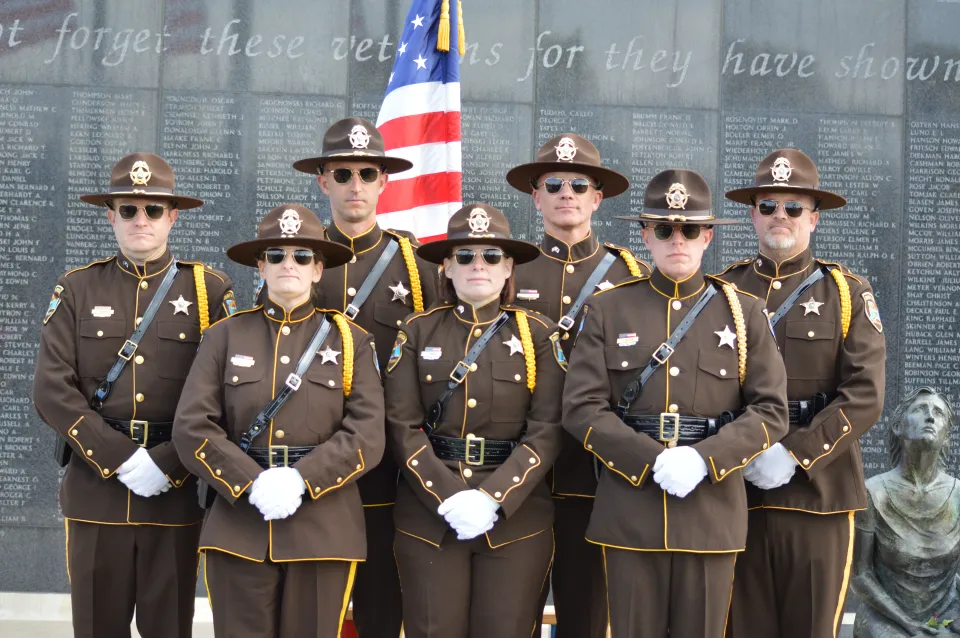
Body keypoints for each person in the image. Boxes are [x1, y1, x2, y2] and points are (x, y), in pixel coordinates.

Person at [562, 169, 788, 638]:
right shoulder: (607, 309)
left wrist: (703, 460)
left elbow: (770, 411)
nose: (676, 239)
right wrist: (649, 459)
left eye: (688, 229)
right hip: (630, 508)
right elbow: (582, 408)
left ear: (707, 235)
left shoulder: (743, 312)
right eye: (663, 229)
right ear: (646, 234)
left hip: (710, 510)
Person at [33, 153, 235, 638]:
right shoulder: (76, 288)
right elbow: (51, 388)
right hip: (96, 491)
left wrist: (170, 463)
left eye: (152, 209)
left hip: (175, 492)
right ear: (110, 215)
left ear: (173, 216)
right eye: (128, 209)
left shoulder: (209, 291)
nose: (140, 220)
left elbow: (228, 398)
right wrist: (121, 458)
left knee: (169, 628)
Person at [172, 204, 385, 638]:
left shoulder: (352, 341)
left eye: (302, 256)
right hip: (239, 525)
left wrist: (300, 480)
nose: (290, 264)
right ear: (261, 266)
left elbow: (367, 433)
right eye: (277, 255)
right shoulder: (224, 336)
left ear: (319, 269)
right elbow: (193, 426)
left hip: (323, 526)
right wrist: (251, 481)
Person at [717, 149, 887, 638]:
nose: (780, 217)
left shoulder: (847, 292)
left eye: (794, 208)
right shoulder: (723, 291)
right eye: (768, 205)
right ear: (752, 215)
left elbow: (865, 394)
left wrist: (794, 455)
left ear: (813, 218)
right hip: (737, 493)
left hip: (818, 495)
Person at [385, 203, 565, 638]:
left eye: (491, 256)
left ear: (508, 269)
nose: (477, 266)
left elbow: (548, 427)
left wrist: (493, 497)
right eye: (464, 256)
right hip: (430, 515)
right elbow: (401, 424)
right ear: (446, 267)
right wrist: (446, 495)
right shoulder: (416, 331)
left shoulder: (538, 334)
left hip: (514, 518)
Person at [292, 117, 438, 638]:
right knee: (310, 615)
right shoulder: (295, 259)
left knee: (382, 610)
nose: (356, 185)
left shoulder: (417, 264)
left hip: (388, 473)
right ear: (323, 181)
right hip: (309, 464)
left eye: (367, 173)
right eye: (343, 173)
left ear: (383, 182)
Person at [506, 134, 650, 638]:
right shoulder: (507, 267)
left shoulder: (633, 274)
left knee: (587, 617)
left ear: (597, 197)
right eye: (553, 183)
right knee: (506, 614)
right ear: (535, 194)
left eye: (578, 184)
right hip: (515, 472)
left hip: (592, 473)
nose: (566, 192)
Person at [851, 387, 960, 638]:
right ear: (898, 427)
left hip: (946, 613)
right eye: (920, 410)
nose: (930, 417)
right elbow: (860, 575)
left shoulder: (957, 495)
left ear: (947, 436)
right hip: (887, 617)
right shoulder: (872, 493)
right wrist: (909, 625)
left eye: (938, 413)